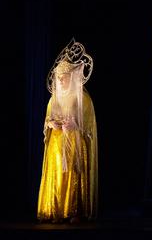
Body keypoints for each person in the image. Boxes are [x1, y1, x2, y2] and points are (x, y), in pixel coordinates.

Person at [37, 39, 98, 223]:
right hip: (56, 144)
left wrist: (76, 127)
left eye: (64, 77)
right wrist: (51, 124)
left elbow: (88, 124)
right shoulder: (53, 99)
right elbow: (47, 119)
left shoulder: (82, 99)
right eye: (59, 77)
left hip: (74, 143)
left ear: (71, 77)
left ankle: (74, 211)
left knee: (73, 174)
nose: (61, 80)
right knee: (57, 175)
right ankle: (56, 210)